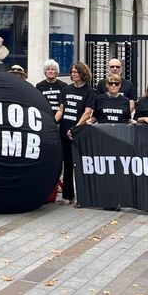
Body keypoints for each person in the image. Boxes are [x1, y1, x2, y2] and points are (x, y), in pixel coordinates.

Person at [54, 62, 92, 205]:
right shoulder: (66, 89)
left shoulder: (89, 91)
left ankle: (83, 195)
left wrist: (75, 129)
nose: (73, 74)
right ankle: (67, 195)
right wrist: (53, 123)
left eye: (76, 71)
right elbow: (61, 110)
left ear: (82, 73)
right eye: (72, 72)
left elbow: (87, 112)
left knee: (80, 165)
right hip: (64, 130)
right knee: (67, 164)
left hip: (78, 132)